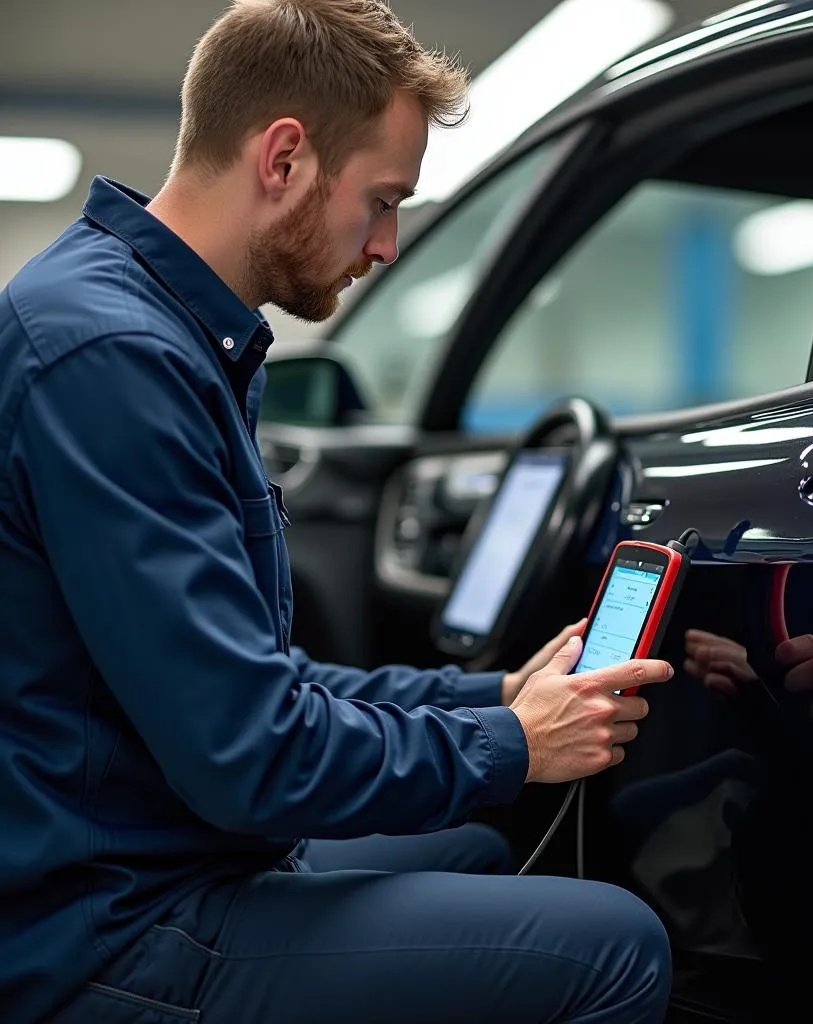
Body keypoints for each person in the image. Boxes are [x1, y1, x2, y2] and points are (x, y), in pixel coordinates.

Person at [0, 2, 676, 1022]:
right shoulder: (115, 358)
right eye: (383, 200)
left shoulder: (157, 332)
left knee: (479, 842)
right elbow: (251, 753)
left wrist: (496, 692)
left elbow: (254, 682)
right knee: (615, 947)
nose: (389, 243)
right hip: (106, 929)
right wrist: (513, 744)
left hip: (145, 851)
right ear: (283, 159)